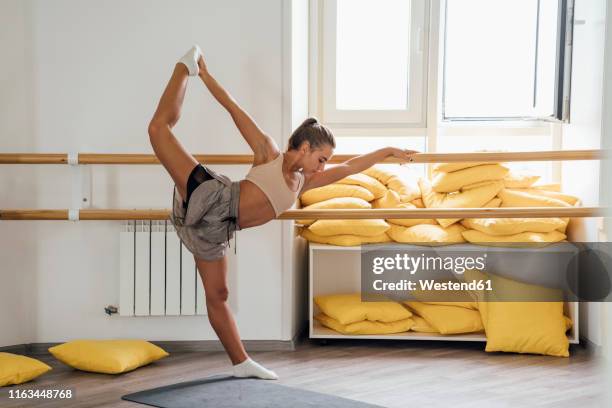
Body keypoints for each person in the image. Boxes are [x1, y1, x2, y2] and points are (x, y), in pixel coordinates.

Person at [147, 45, 418, 380]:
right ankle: (183, 66)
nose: (323, 168)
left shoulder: (301, 184)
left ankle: (242, 364)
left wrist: (388, 150)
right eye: (321, 159)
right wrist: (204, 74)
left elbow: (349, 168)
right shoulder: (269, 153)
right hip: (212, 198)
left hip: (217, 229)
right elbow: (234, 108)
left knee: (219, 295)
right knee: (159, 130)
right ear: (304, 148)